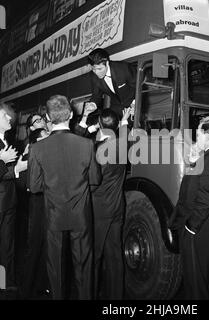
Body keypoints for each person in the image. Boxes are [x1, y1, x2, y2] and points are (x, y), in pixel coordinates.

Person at [28, 95, 102, 299]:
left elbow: (34, 186)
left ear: (48, 117)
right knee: (84, 269)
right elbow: (95, 179)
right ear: (71, 114)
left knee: (56, 270)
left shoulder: (37, 148)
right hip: (81, 217)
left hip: (54, 216)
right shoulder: (86, 145)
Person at [169, 116, 209, 300]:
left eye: (198, 134)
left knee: (196, 283)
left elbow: (205, 198)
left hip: (201, 227)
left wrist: (191, 226)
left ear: (207, 135)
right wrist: (196, 160)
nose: (196, 138)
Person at [92, 108, 130, 299]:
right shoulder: (122, 147)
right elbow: (123, 134)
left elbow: (92, 183)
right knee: (115, 257)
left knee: (94, 257)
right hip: (117, 208)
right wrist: (124, 122)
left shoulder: (98, 151)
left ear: (99, 124)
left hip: (99, 211)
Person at [0, 103, 28, 290]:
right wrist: (4, 162)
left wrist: (20, 163)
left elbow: (7, 172)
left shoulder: (5, 142)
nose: (9, 118)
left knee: (7, 245)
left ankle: (5, 282)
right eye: (4, 116)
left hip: (8, 201)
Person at [21, 127, 50, 299]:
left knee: (47, 248)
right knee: (34, 247)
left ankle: (42, 285)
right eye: (45, 133)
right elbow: (27, 183)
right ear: (38, 139)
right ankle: (25, 288)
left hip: (49, 203)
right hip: (38, 203)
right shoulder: (33, 151)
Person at [87, 48, 136, 119]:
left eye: (100, 69)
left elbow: (138, 86)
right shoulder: (93, 76)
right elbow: (96, 95)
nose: (97, 73)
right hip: (116, 107)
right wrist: (93, 104)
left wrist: (135, 104)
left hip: (133, 104)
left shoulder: (124, 68)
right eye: (93, 69)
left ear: (107, 63)